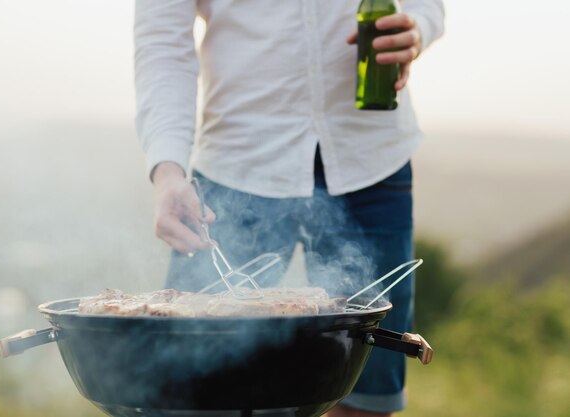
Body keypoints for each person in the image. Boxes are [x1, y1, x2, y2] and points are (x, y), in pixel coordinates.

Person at [134, 1, 444, 416]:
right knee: (198, 392)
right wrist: (168, 171)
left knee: (367, 396)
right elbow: (163, 42)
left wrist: (419, 26)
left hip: (369, 159)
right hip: (237, 169)